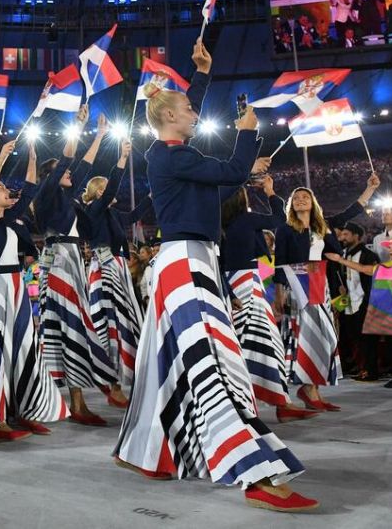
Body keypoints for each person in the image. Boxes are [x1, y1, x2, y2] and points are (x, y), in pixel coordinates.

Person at [115, 44, 316, 512]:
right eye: (186, 108)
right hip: (187, 263)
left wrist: (200, 75)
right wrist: (249, 134)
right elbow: (230, 170)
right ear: (167, 116)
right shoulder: (169, 155)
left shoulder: (173, 153)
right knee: (219, 366)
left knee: (165, 367)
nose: (194, 112)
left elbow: (210, 153)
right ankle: (258, 475)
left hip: (188, 261)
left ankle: (146, 452)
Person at [0, 138, 68, 444]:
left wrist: (31, 158)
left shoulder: (13, 220)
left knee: (25, 349)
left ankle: (25, 409)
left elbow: (29, 188)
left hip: (16, 286)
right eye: (1, 190)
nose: (7, 191)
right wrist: (0, 157)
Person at [34, 108, 118, 425]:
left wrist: (97, 135)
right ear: (50, 177)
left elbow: (83, 166)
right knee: (68, 328)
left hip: (71, 262)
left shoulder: (68, 202)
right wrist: (79, 126)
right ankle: (73, 403)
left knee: (74, 329)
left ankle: (77, 401)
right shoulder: (45, 197)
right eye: (60, 171)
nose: (68, 174)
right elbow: (71, 165)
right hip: (58, 264)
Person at [273, 175, 379, 412]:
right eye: (296, 198)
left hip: (321, 286)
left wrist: (370, 188)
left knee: (326, 338)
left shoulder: (325, 225)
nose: (300, 200)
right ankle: (308, 390)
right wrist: (279, 292)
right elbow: (279, 262)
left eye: (305, 197)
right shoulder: (285, 229)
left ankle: (312, 390)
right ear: (292, 205)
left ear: (313, 203)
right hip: (296, 287)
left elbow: (354, 209)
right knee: (306, 339)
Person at [220, 175, 317, 422]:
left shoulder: (216, 224)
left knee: (242, 345)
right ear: (240, 199)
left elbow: (217, 264)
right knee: (266, 344)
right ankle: (276, 403)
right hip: (248, 286)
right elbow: (278, 218)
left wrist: (229, 293)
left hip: (231, 286)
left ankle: (267, 401)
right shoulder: (247, 219)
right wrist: (271, 192)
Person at [78, 139, 147, 403]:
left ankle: (116, 381)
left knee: (123, 323)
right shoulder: (94, 210)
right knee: (109, 325)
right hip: (103, 270)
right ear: (97, 193)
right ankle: (112, 383)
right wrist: (122, 159)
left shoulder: (112, 213)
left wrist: (155, 193)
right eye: (105, 188)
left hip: (116, 268)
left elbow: (134, 215)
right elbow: (110, 193)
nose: (110, 191)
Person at [325, 237, 392, 388]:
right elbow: (363, 269)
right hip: (390, 315)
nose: (390, 250)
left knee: (391, 344)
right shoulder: (384, 267)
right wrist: (339, 260)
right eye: (390, 247)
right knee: (390, 345)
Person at [337, 223, 380, 381]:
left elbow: (375, 280)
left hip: (364, 302)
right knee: (354, 338)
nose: (343, 237)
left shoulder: (369, 254)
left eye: (346, 234)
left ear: (357, 236)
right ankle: (361, 367)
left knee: (367, 339)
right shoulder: (343, 254)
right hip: (349, 304)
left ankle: (371, 370)